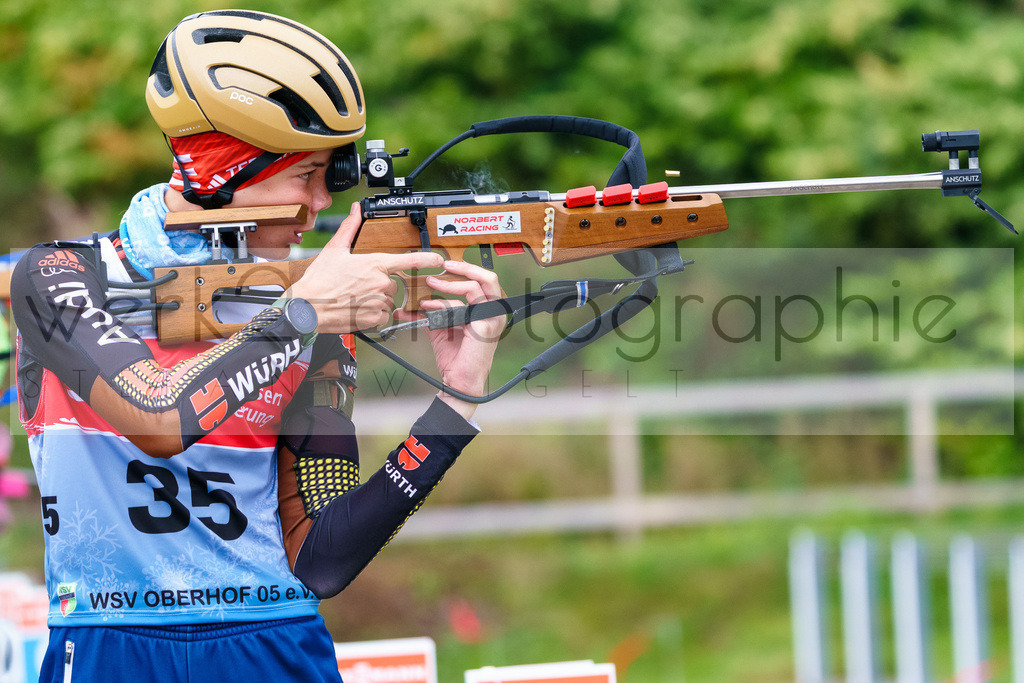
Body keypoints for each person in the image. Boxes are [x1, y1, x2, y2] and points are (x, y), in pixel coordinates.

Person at [10, 10, 503, 682]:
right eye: (309, 175)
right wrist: (300, 315)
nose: (319, 204)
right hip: (108, 649)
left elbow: (322, 557)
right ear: (231, 168)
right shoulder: (58, 275)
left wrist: (457, 400)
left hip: (273, 645)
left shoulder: (314, 306)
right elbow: (157, 416)